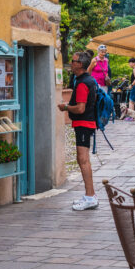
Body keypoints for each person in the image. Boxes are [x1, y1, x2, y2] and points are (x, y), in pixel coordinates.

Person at [57, 49, 98, 210]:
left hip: (83, 124)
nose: (71, 64)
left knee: (83, 160)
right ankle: (90, 195)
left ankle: (90, 196)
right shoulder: (89, 80)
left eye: (73, 61)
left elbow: (80, 108)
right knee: (83, 160)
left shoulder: (82, 83)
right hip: (87, 124)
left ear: (80, 64)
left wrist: (65, 107)